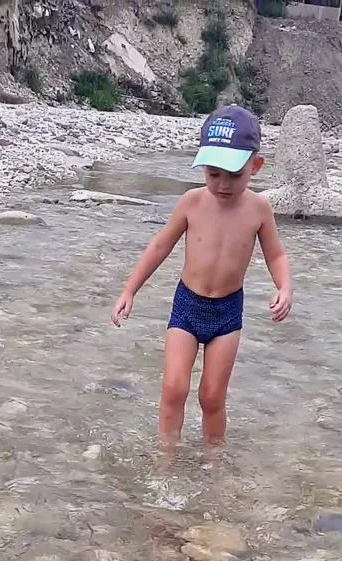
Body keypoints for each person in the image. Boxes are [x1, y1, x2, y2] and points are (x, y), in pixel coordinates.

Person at [111, 105, 292, 445]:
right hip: (187, 307)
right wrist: (129, 290)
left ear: (256, 166)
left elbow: (277, 254)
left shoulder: (259, 209)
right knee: (174, 387)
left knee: (211, 396)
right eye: (213, 173)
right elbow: (159, 247)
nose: (222, 184)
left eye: (234, 175)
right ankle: (166, 456)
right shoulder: (191, 202)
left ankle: (213, 461)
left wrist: (285, 286)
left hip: (227, 313)